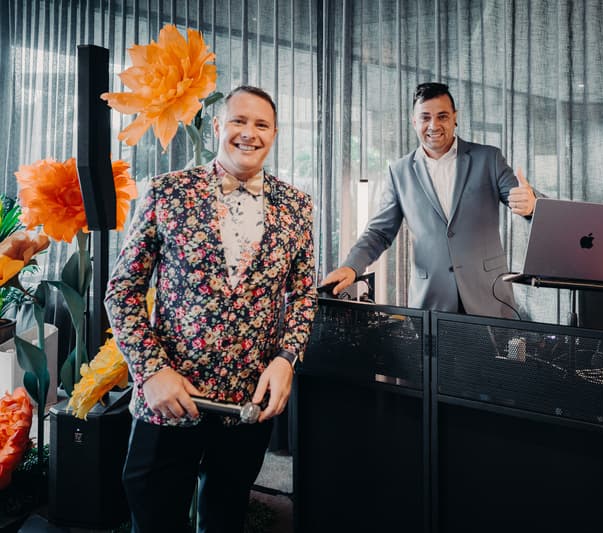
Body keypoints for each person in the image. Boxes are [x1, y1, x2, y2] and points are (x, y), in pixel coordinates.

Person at [105, 85, 317, 533]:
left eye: (261, 124)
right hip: (170, 397)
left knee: (225, 515)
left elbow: (302, 295)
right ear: (219, 126)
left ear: (274, 134)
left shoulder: (297, 206)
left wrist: (286, 359)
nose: (249, 133)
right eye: (239, 121)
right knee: (155, 514)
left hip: (247, 403)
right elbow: (122, 289)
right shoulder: (167, 192)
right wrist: (150, 370)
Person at [321, 82, 537, 318]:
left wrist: (531, 205)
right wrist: (351, 266)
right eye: (425, 117)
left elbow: (522, 198)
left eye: (442, 116)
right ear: (414, 122)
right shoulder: (399, 171)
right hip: (432, 301)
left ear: (455, 118)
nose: (433, 125)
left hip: (489, 296)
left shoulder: (488, 158)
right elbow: (379, 232)